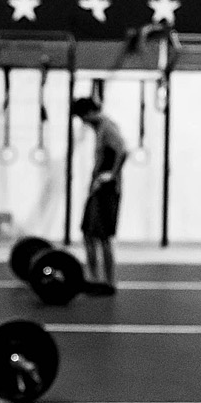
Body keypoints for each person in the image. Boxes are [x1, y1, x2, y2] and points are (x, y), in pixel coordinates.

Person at [68, 95, 126, 296]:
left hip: (107, 191)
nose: (82, 121)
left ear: (90, 113)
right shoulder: (99, 128)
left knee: (103, 237)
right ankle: (95, 280)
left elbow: (123, 150)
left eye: (82, 117)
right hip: (98, 189)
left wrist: (111, 175)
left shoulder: (107, 127)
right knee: (88, 233)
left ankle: (108, 283)